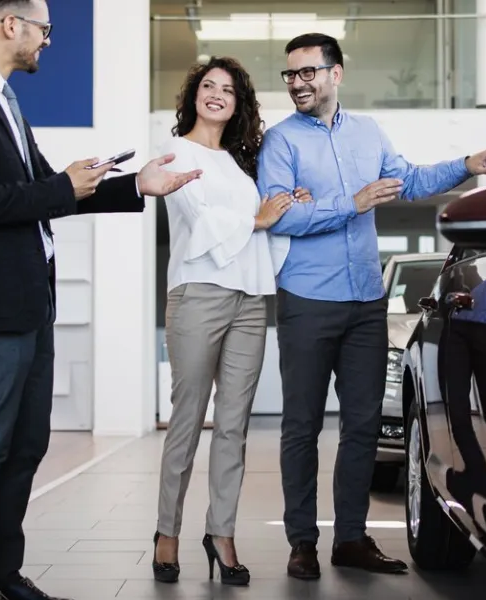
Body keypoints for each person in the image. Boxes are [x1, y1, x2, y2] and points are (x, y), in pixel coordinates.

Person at [0, 2, 200, 599]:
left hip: (28, 310)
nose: (48, 40)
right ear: (9, 24)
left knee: (24, 449)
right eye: (44, 28)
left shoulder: (6, 101)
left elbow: (49, 193)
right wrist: (59, 186)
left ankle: (1, 576)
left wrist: (135, 186)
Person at [255, 32, 486, 579]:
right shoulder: (281, 142)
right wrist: (349, 204)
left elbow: (411, 180)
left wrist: (468, 163)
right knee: (300, 426)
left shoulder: (369, 133)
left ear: (335, 74)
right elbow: (279, 215)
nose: (298, 83)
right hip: (306, 299)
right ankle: (302, 543)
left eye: (308, 73)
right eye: (290, 75)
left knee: (364, 425)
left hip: (367, 301)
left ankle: (351, 539)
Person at [151, 56, 311, 587]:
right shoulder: (176, 151)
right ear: (194, 94)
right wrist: (257, 217)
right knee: (187, 421)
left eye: (228, 89)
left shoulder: (246, 162)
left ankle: (221, 534)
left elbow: (264, 229)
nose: (217, 94)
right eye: (208, 86)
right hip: (197, 294)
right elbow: (202, 219)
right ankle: (166, 533)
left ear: (239, 103)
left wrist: (284, 207)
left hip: (249, 301)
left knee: (235, 426)